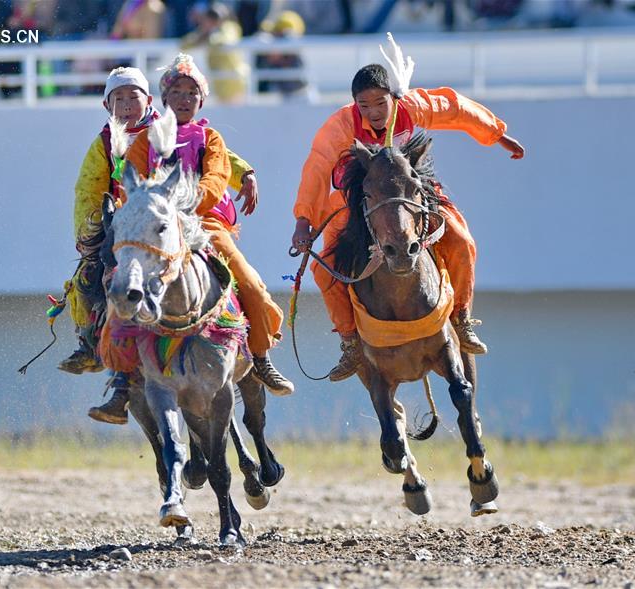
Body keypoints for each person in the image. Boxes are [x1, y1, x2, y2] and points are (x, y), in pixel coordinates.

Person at [291, 35, 525, 382]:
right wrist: (303, 220)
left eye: (379, 103)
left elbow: (454, 107)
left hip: (413, 194)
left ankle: (460, 318)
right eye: (364, 105)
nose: (373, 112)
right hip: (355, 201)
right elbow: (317, 167)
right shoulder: (340, 125)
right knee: (324, 270)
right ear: (355, 104)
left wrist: (496, 134)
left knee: (460, 240)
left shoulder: (412, 107)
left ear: (393, 98)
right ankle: (351, 342)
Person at [63, 64, 281, 424]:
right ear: (107, 106)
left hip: (195, 222)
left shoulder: (169, 130)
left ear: (149, 101)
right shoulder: (109, 142)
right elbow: (88, 190)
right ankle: (103, 359)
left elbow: (221, 163)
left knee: (245, 277)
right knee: (95, 282)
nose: (127, 105)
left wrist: (246, 175)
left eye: (133, 97)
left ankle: (259, 356)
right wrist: (92, 232)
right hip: (132, 226)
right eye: (118, 99)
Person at [123, 53, 294, 396]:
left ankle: (260, 357)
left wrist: (187, 204)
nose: (185, 98)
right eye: (177, 91)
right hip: (156, 228)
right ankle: (121, 375)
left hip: (205, 224)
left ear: (201, 100)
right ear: (164, 98)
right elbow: (135, 181)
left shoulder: (210, 139)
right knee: (118, 284)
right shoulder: (145, 141)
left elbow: (217, 178)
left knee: (250, 282)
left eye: (192, 93)